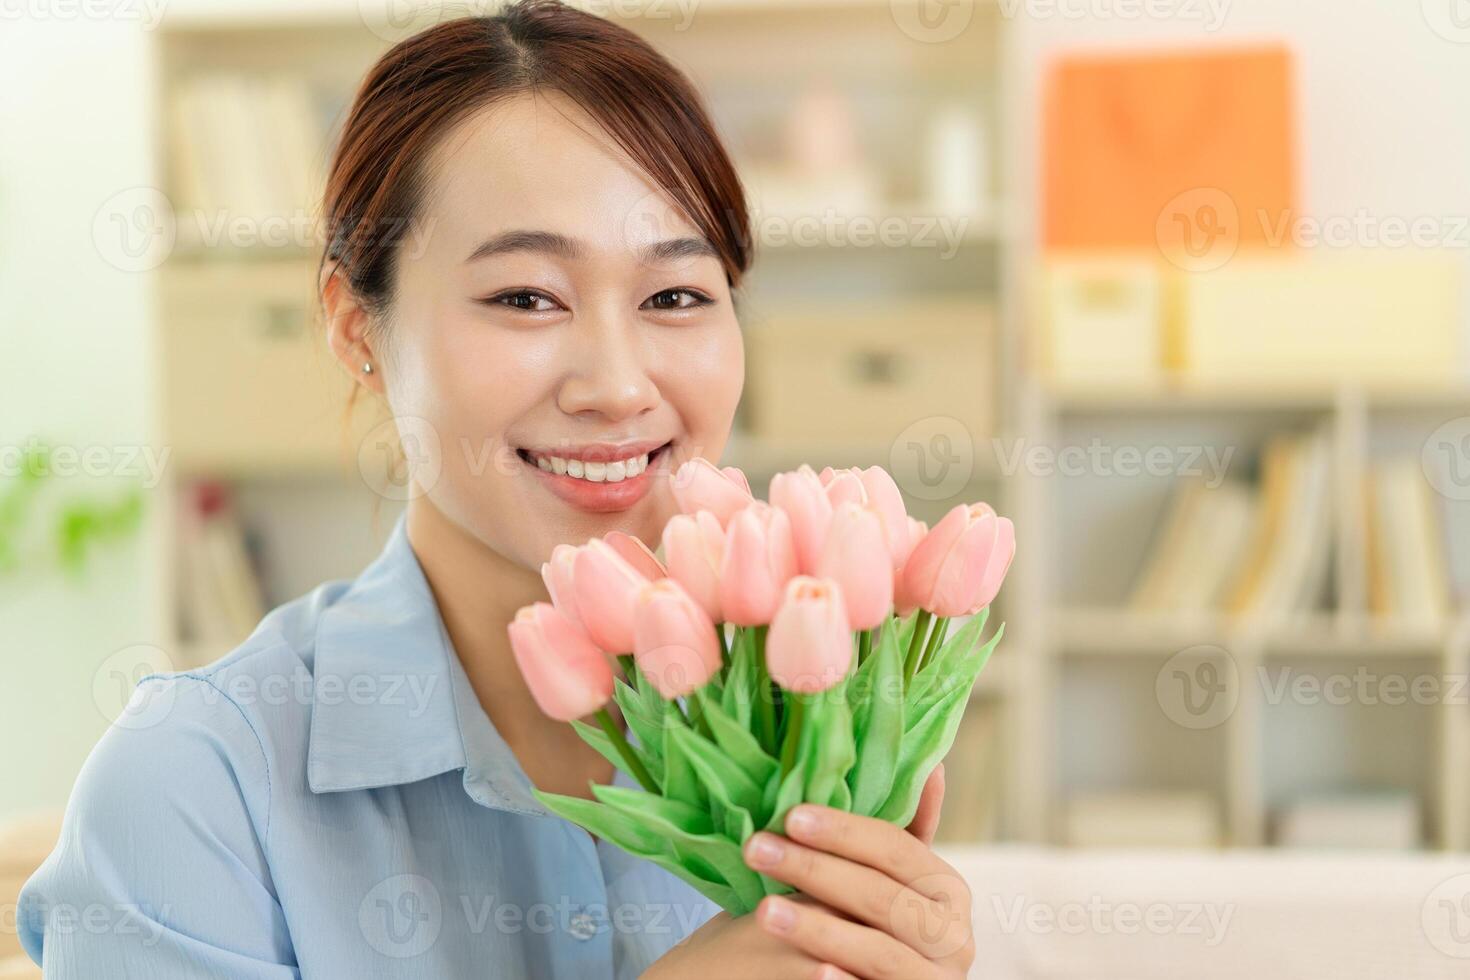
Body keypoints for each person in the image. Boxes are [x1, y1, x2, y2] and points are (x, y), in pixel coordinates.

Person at [17, 2, 975, 976]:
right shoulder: (192, 787)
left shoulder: (815, 726)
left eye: (676, 295)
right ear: (356, 327)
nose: (617, 385)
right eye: (526, 296)